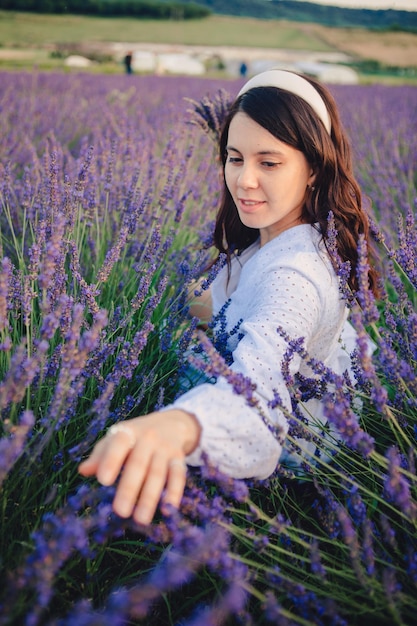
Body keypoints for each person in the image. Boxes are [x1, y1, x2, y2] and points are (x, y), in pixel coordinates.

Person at [79, 69, 378, 525]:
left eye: (269, 162)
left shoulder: (293, 277)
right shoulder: (287, 231)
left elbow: (258, 395)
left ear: (314, 168)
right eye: (234, 158)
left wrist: (182, 425)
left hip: (279, 475)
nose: (244, 180)